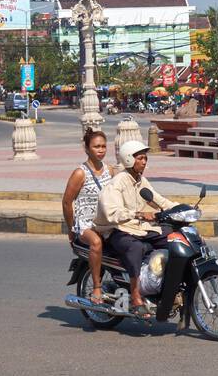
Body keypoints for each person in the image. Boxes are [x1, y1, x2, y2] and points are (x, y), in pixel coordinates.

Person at [92, 140, 177, 319]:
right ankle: (136, 294)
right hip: (117, 229)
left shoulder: (141, 181)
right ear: (129, 160)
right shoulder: (118, 182)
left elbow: (160, 201)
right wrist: (138, 214)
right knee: (135, 247)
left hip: (139, 228)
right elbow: (111, 212)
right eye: (140, 158)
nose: (144, 162)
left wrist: (182, 209)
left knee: (174, 236)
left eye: (145, 158)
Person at [62, 129, 113, 306]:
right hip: (85, 223)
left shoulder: (110, 171)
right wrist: (71, 229)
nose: (101, 150)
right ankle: (97, 286)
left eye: (104, 146)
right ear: (87, 148)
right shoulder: (80, 173)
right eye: (96, 146)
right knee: (96, 243)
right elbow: (67, 203)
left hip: (105, 221)